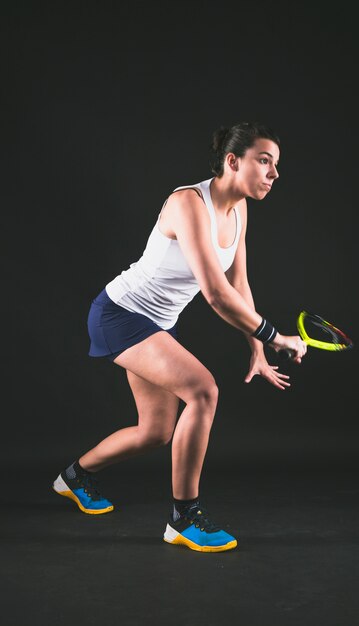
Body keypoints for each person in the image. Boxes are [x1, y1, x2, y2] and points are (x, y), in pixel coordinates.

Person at [53, 121, 307, 553]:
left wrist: (258, 350)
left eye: (276, 164)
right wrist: (276, 335)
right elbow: (214, 293)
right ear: (233, 161)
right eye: (264, 161)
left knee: (155, 432)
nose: (274, 174)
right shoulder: (188, 203)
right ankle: (184, 518)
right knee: (204, 390)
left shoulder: (239, 208)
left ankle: (74, 478)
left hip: (154, 325)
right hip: (119, 314)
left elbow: (238, 283)